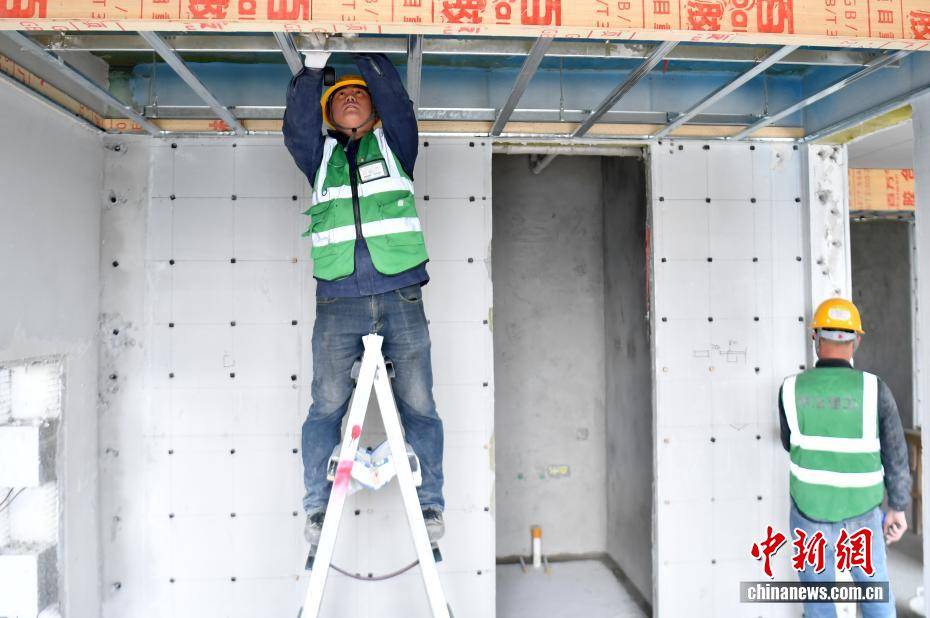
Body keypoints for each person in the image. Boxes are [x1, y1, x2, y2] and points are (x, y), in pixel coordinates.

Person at [283, 47, 444, 546]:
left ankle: (430, 504)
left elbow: (398, 102)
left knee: (419, 404)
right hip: (338, 302)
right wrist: (315, 67)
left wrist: (360, 50)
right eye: (340, 96)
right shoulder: (319, 158)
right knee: (326, 405)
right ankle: (316, 507)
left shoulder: (396, 147)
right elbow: (297, 127)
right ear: (329, 113)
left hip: (401, 296)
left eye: (360, 93)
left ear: (374, 109)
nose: (351, 98)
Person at [778, 297, 911, 617]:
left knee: (818, 603)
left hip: (808, 513)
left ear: (816, 339)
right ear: (856, 340)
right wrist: (898, 507)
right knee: (876, 599)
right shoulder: (875, 389)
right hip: (861, 514)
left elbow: (788, 442)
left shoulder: (790, 388)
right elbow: (895, 452)